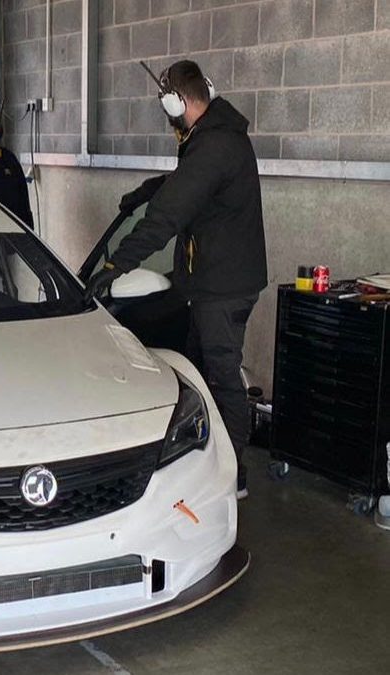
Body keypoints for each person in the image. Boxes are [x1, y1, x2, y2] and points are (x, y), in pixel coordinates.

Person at [83, 60, 267, 499]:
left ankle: (233, 475)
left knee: (221, 377)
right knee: (202, 371)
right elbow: (194, 183)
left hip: (223, 287)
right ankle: (207, 460)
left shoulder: (215, 144)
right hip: (212, 280)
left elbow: (167, 217)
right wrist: (154, 186)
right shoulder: (216, 138)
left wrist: (114, 267)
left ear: (175, 102)